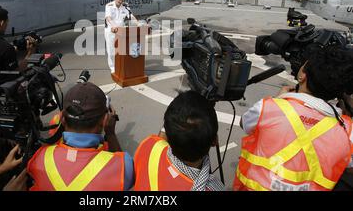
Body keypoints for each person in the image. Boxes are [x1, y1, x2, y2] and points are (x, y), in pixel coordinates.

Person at [234, 45, 353, 191]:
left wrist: (277, 100)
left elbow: (244, 123)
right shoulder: (348, 131)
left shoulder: (267, 108)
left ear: (302, 76)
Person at [27, 82, 134, 191]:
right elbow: (125, 177)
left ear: (62, 119)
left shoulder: (40, 158)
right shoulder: (123, 165)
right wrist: (110, 134)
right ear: (105, 120)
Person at [134, 91, 224, 191]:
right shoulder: (213, 188)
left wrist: (176, 116)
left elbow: (161, 138)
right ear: (215, 141)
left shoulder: (149, 146)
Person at [0, 7, 36, 118]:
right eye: (6, 23)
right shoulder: (4, 47)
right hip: (4, 92)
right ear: (2, 23)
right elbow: (17, 70)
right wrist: (30, 53)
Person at [104, 0, 138, 73]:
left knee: (121, 50)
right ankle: (112, 68)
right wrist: (113, 26)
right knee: (111, 50)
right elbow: (108, 18)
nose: (120, 2)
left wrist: (138, 23)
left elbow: (131, 16)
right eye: (119, 0)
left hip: (121, 32)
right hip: (111, 31)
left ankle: (121, 64)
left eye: (122, 0)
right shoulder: (109, 6)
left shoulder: (125, 7)